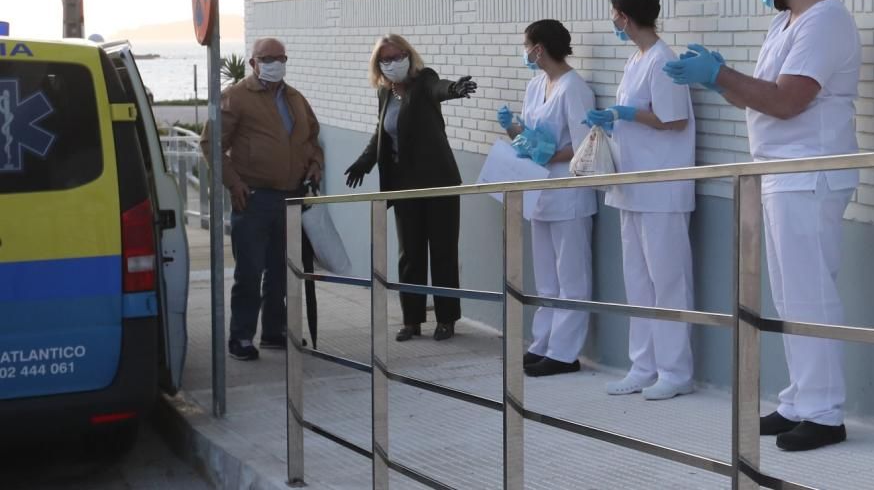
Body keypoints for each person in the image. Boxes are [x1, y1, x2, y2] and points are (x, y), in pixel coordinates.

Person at [664, 0, 861, 452]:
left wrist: (722, 73)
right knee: (790, 294)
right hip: (779, 173)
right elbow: (757, 96)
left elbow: (788, 100)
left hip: (809, 172)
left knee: (811, 294)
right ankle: (800, 399)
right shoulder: (786, 25)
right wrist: (712, 78)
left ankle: (825, 413)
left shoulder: (824, 22)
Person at [583, 0, 697, 401]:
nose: (613, 21)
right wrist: (615, 117)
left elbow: (674, 119)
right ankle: (643, 364)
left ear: (626, 17)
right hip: (632, 185)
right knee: (638, 279)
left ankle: (675, 370)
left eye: (615, 14)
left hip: (662, 188)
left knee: (668, 280)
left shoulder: (663, 60)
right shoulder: (636, 58)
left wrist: (627, 114)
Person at [344, 34, 476, 342]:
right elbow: (382, 131)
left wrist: (455, 89)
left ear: (409, 55)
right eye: (386, 59)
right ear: (378, 64)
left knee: (442, 252)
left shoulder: (423, 81)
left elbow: (438, 88)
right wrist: (366, 162)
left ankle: (446, 319)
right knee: (410, 256)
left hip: (439, 182)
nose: (393, 63)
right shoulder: (384, 93)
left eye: (398, 56)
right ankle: (412, 320)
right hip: (404, 186)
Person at [201, 37, 323, 361]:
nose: (273, 63)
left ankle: (274, 331)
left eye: (279, 57)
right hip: (254, 199)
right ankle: (241, 336)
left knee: (282, 271)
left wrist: (315, 164)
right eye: (266, 58)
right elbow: (210, 143)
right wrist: (233, 183)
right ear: (253, 62)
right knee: (250, 272)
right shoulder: (236, 97)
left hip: (292, 196)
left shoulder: (295, 98)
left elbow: (312, 139)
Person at [495, 20, 597, 377]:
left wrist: (547, 154)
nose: (525, 51)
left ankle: (565, 352)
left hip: (568, 193)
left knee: (571, 276)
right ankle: (542, 343)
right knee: (546, 277)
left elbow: (586, 145)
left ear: (539, 48)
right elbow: (529, 133)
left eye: (527, 45)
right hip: (539, 191)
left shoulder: (574, 87)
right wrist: (514, 131)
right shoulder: (536, 84)